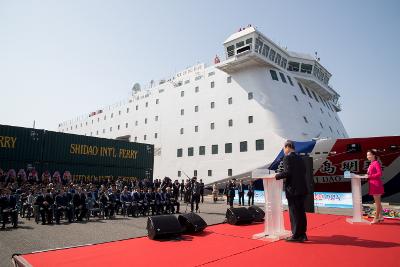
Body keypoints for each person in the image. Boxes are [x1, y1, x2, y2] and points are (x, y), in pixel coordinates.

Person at [275, 140, 308, 242]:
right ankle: (302, 234)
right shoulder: (300, 158)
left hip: (293, 190)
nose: (283, 150)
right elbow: (304, 171)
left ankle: (296, 235)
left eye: (284, 148)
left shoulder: (287, 157)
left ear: (288, 147)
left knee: (294, 213)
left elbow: (287, 172)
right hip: (302, 189)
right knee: (301, 213)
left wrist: (276, 176)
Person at [365, 150, 385, 224]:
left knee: (377, 203)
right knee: (378, 202)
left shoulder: (375, 163)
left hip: (376, 184)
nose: (368, 156)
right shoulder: (371, 164)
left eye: (369, 155)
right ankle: (381, 216)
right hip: (373, 184)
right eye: (367, 155)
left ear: (374, 155)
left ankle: (376, 218)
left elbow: (380, 173)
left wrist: (370, 176)